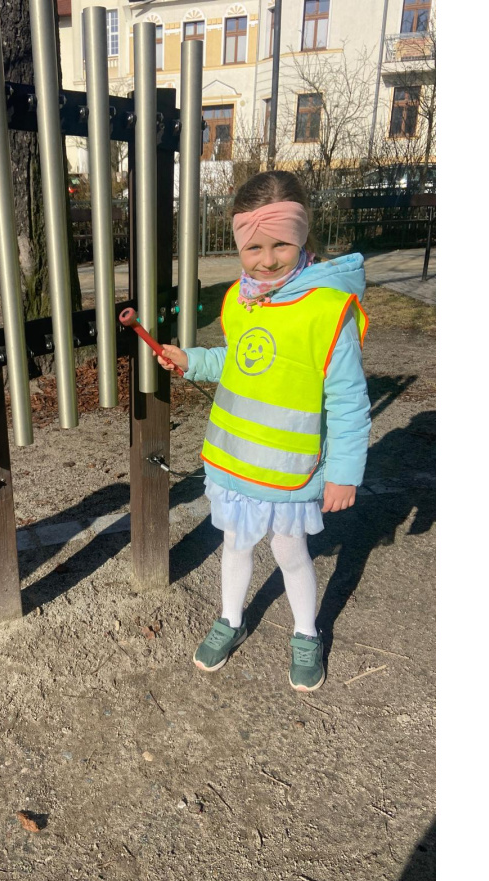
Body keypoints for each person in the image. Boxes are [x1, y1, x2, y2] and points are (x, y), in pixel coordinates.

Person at [154, 170, 370, 692]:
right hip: (236, 461)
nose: (267, 260)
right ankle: (230, 619)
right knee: (234, 543)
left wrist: (344, 473)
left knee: (290, 552)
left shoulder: (328, 311)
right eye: (254, 248)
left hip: (291, 471)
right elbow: (241, 360)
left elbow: (347, 401)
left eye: (281, 245)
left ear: (303, 235)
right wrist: (193, 360)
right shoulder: (241, 298)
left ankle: (306, 632)